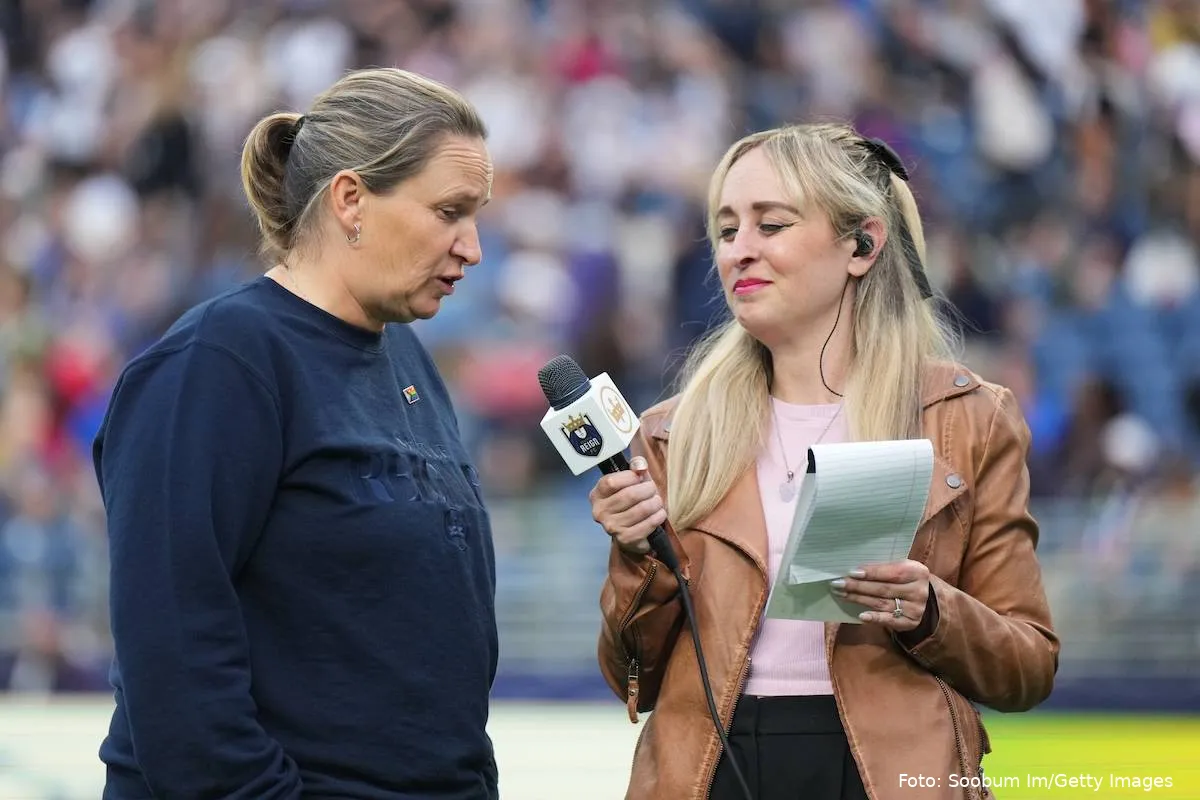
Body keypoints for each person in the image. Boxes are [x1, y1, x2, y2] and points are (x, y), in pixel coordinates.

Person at [590, 123, 1059, 800]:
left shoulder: (968, 417)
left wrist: (931, 609)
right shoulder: (671, 434)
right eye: (726, 231)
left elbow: (1028, 665)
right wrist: (637, 552)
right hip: (710, 773)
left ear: (862, 245)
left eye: (771, 225)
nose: (738, 252)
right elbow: (630, 675)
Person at [93, 68, 500, 799]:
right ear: (351, 199)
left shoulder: (407, 357)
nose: (471, 247)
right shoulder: (218, 362)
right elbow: (173, 654)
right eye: (449, 211)